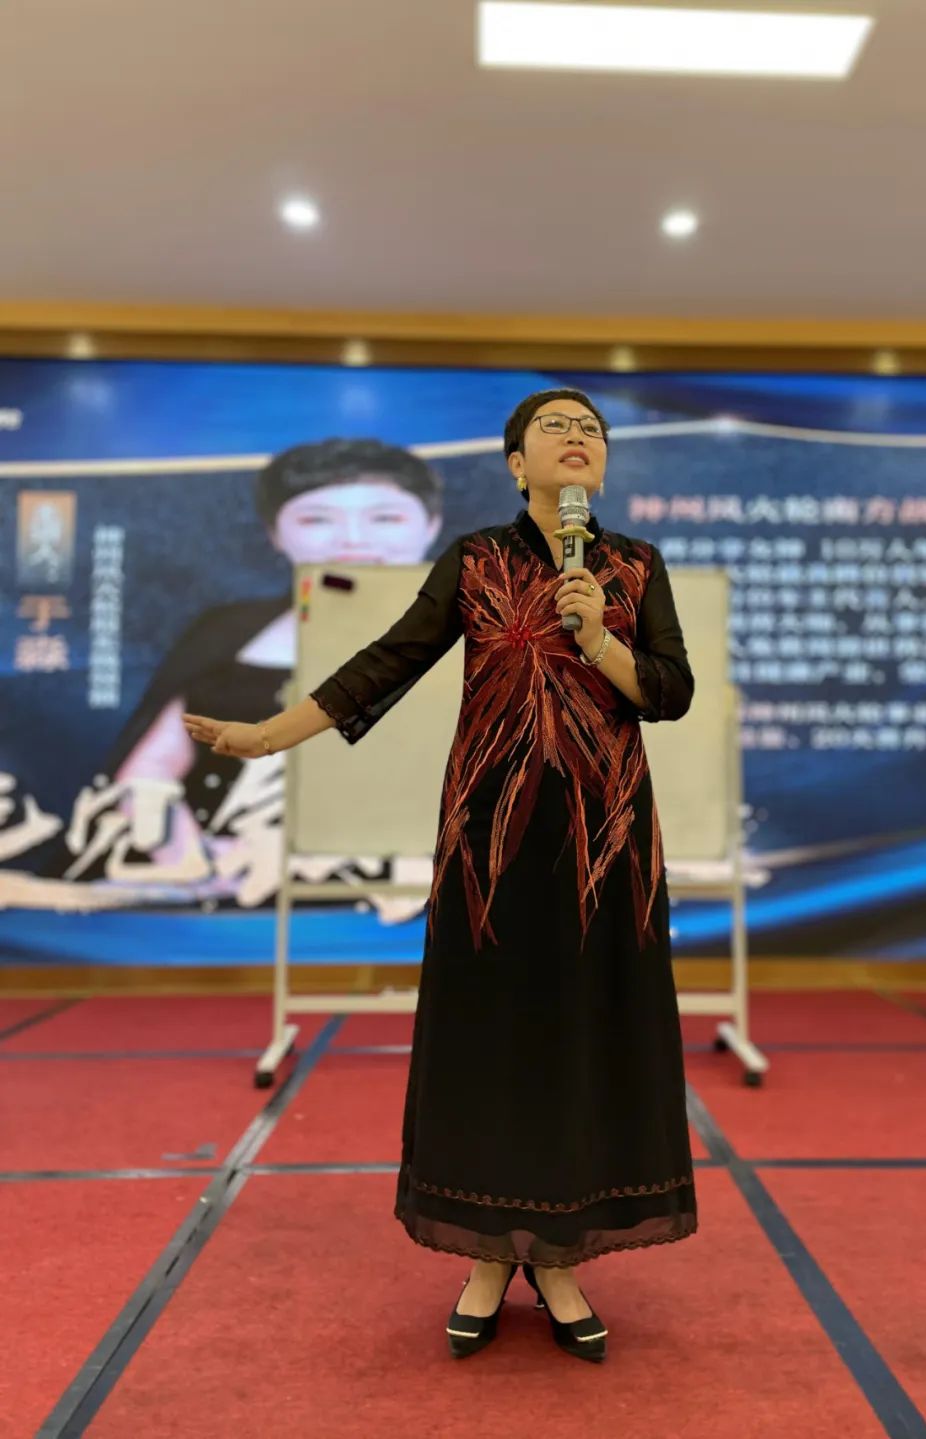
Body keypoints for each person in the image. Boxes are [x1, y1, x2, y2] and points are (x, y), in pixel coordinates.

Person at [183, 389, 699, 1362]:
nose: (578, 438)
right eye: (556, 427)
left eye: (592, 429)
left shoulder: (634, 566)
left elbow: (670, 692)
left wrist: (599, 638)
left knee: (585, 1041)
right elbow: (388, 661)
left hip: (606, 845)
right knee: (487, 1041)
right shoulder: (475, 559)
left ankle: (559, 1253)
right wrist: (268, 735)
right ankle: (488, 1256)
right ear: (515, 463)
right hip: (489, 847)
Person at [91, 439, 443, 887]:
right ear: (275, 534)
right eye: (317, 520)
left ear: (431, 525)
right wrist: (192, 858)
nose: (353, 539)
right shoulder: (228, 631)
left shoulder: (483, 629)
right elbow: (149, 772)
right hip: (237, 878)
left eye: (385, 518)